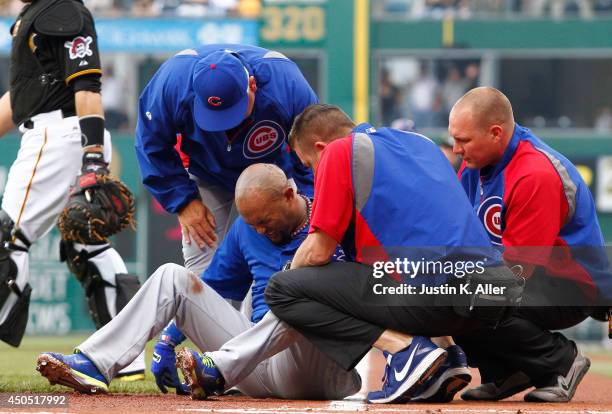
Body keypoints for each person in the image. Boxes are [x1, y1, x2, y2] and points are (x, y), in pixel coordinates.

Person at [264, 103, 591, 404]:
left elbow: (319, 251)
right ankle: (459, 361)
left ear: (321, 146)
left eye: (309, 164)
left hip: (502, 291)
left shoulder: (339, 152)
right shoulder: (419, 142)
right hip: (482, 292)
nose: (312, 172)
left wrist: (290, 272)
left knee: (283, 289)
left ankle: (406, 351)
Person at [35, 164, 361, 401]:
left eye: (265, 220)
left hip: (323, 367)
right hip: (256, 365)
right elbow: (213, 287)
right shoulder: (248, 229)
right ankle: (95, 363)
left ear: (290, 195)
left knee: (299, 288)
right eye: (251, 222)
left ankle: (217, 369)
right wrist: (167, 341)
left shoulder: (328, 216)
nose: (259, 230)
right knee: (172, 276)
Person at [0, 0, 144, 378]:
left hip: (64, 135)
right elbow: (23, 97)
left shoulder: (61, 10)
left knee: (6, 240)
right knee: (86, 243)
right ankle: (126, 357)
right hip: (61, 132)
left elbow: (85, 83)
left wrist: (93, 155)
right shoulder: (37, 13)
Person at [451, 86, 611, 402]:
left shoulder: (534, 173)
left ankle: (561, 363)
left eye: (463, 140)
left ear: (496, 133)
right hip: (530, 275)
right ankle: (508, 371)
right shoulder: (474, 167)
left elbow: (517, 271)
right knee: (443, 291)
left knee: (463, 297)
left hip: (571, 286)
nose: (456, 149)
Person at [135, 43, 316, 278]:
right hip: (207, 172)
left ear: (252, 85)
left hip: (271, 174)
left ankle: (267, 313)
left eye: (233, 111)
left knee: (288, 261)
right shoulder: (173, 83)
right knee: (201, 269)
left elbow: (313, 152)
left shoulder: (285, 83)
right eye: (216, 117)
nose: (226, 124)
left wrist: (310, 204)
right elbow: (151, 144)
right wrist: (183, 201)